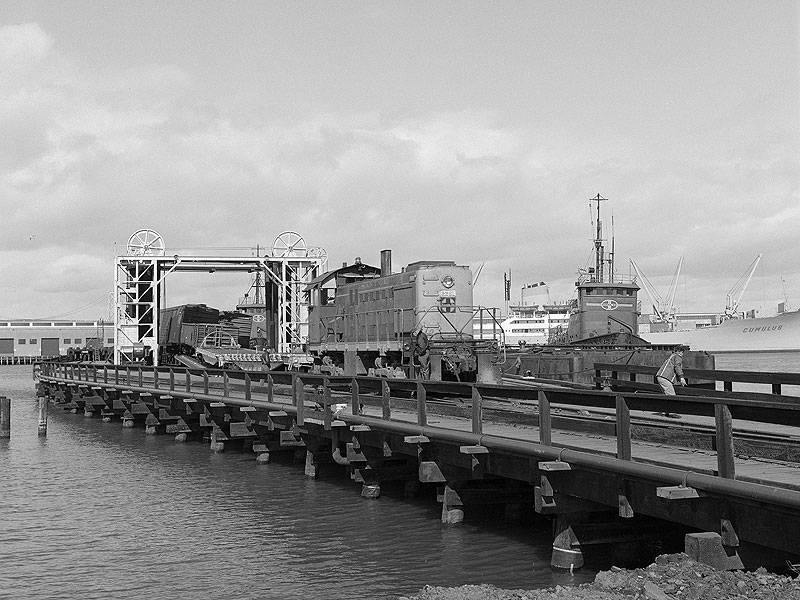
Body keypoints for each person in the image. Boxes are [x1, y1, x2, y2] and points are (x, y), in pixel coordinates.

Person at [656, 345, 688, 417]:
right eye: (683, 353)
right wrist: (681, 378)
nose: (683, 355)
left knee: (667, 395)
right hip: (665, 378)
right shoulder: (677, 356)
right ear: (680, 352)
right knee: (672, 396)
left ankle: (666, 412)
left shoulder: (672, 356)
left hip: (660, 376)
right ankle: (672, 413)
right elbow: (677, 366)